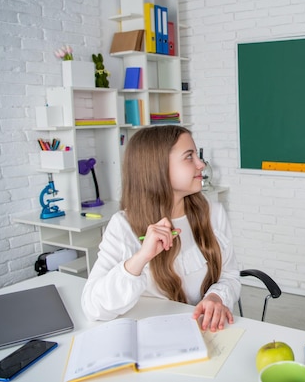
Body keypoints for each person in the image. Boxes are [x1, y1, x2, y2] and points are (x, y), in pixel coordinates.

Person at [81, 125, 241, 333]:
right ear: (158, 168)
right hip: (153, 336)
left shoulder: (214, 213)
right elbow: (93, 308)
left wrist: (216, 296)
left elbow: (230, 275)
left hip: (204, 331)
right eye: (189, 157)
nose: (201, 164)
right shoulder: (122, 225)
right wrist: (141, 258)